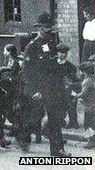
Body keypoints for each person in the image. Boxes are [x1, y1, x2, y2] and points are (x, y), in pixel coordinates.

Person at [22, 12, 71, 157]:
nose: (48, 29)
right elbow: (27, 71)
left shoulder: (52, 43)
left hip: (53, 87)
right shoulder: (32, 46)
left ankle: (57, 150)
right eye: (45, 27)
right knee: (36, 116)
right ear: (39, 28)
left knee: (54, 117)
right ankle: (23, 135)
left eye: (50, 27)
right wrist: (34, 90)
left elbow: (55, 65)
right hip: (39, 88)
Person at [54, 44, 79, 129]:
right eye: (60, 52)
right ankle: (60, 121)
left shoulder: (70, 66)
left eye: (64, 53)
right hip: (56, 89)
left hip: (67, 89)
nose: (62, 55)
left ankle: (73, 122)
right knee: (58, 106)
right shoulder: (53, 64)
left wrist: (70, 86)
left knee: (71, 105)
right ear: (57, 53)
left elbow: (74, 79)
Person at [71, 62, 95, 149]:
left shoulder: (87, 81)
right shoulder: (92, 78)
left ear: (84, 71)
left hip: (90, 106)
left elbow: (84, 93)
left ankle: (92, 141)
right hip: (92, 104)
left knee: (89, 124)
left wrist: (75, 95)